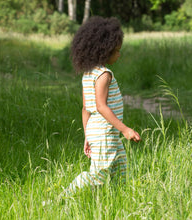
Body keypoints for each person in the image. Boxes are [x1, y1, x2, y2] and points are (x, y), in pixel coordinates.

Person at [66, 16, 141, 195]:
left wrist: (87, 136)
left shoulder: (88, 73)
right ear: (104, 50)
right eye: (116, 51)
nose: (119, 54)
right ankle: (64, 196)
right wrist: (125, 129)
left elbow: (86, 108)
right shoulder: (104, 74)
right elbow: (101, 106)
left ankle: (120, 198)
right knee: (98, 176)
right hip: (105, 132)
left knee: (122, 168)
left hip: (99, 131)